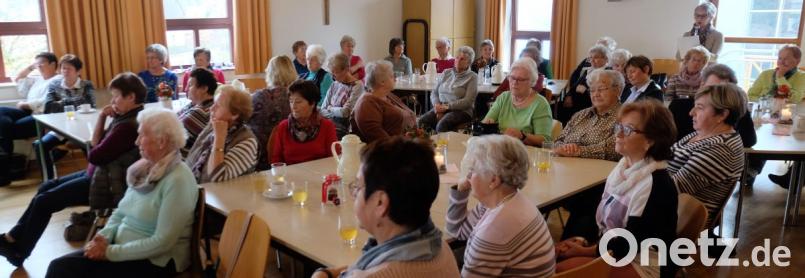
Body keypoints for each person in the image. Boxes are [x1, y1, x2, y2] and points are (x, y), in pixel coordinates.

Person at [0, 72, 145, 268]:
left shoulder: (128, 126)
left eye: (116, 96)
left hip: (106, 184)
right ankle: (12, 239)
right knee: (45, 187)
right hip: (97, 173)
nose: (112, 101)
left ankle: (18, 249)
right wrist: (102, 116)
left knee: (44, 201)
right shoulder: (125, 117)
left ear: (131, 97)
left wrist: (100, 136)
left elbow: (93, 155)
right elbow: (95, 144)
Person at [46, 109, 198, 277]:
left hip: (156, 261)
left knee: (63, 270)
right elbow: (121, 212)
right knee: (60, 266)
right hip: (123, 248)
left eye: (142, 135)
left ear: (161, 142)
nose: (137, 142)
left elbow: (163, 242)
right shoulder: (144, 168)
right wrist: (103, 237)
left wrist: (109, 252)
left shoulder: (178, 179)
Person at [556, 100, 679, 278]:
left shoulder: (655, 184)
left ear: (650, 140)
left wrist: (586, 251)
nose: (618, 134)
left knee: (559, 270)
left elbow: (629, 244)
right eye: (618, 127)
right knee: (554, 256)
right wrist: (582, 240)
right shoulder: (625, 167)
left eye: (628, 129)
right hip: (617, 247)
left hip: (646, 262)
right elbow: (605, 217)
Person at [312, 137, 460, 278]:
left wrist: (320, 274)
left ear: (380, 203)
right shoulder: (440, 248)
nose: (353, 194)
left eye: (357, 186)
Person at [447, 135, 556, 277]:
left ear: (493, 180)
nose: (467, 176)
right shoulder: (505, 199)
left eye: (472, 170)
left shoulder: (494, 229)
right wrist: (460, 190)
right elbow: (458, 231)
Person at [668, 84, 745, 227]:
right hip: (663, 209)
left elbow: (669, 191)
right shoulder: (701, 134)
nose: (691, 112)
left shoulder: (721, 149)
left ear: (722, 115)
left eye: (700, 107)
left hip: (677, 224)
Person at [0, 52, 59, 183]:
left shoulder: (58, 80)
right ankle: (5, 168)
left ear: (53, 64)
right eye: (37, 64)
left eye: (41, 63)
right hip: (28, 112)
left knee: (5, 130)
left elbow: (46, 102)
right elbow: (19, 78)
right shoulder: (38, 79)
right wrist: (32, 67)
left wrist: (24, 104)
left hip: (43, 116)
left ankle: (4, 170)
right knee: (1, 113)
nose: (38, 66)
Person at [36, 54, 97, 180]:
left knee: (91, 146)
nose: (65, 71)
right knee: (39, 144)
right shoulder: (54, 85)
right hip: (60, 128)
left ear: (78, 71)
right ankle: (49, 180)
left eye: (69, 68)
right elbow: (49, 107)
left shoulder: (87, 85)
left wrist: (61, 103)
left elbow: (91, 105)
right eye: (63, 68)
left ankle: (94, 177)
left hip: (83, 128)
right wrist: (76, 101)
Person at [185, 85, 257, 183]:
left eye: (218, 105)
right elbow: (191, 159)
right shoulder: (212, 127)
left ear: (234, 114)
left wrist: (219, 138)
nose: (211, 109)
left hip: (216, 192)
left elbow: (217, 177)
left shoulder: (247, 142)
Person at [554, 69, 623, 162]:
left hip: (600, 169)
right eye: (592, 90)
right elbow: (558, 140)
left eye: (601, 89)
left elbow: (614, 149)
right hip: (567, 165)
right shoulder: (581, 115)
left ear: (617, 90)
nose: (596, 94)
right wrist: (565, 148)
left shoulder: (624, 117)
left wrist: (578, 151)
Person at [483, 58, 553, 146]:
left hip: (525, 151)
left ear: (532, 82)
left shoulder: (540, 104)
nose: (514, 83)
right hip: (501, 147)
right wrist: (487, 125)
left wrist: (522, 136)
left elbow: (545, 141)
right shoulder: (503, 97)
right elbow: (486, 122)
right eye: (512, 77)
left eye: (521, 79)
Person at [270, 80, 337, 165]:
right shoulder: (283, 127)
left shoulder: (327, 126)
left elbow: (334, 158)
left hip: (320, 172)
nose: (293, 106)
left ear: (312, 103)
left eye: (298, 102)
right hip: (291, 173)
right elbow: (276, 161)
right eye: (291, 101)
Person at [249, 56, 296, 171]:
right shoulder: (298, 97)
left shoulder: (259, 98)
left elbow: (242, 118)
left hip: (260, 156)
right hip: (290, 154)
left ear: (270, 73)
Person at [351, 61, 416, 143]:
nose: (395, 79)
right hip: (390, 149)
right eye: (392, 76)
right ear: (382, 82)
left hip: (405, 142)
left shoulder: (388, 95)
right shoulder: (366, 104)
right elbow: (381, 141)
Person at [418, 46, 478, 132]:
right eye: (457, 57)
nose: (458, 60)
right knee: (421, 122)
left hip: (461, 111)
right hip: (441, 107)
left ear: (469, 63)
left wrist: (447, 107)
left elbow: (468, 101)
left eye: (462, 59)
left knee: (441, 125)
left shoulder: (472, 77)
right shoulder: (446, 72)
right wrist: (437, 105)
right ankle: (429, 141)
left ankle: (441, 141)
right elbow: (434, 92)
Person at [667, 46, 712, 140]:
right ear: (687, 61)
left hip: (697, 117)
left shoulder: (706, 80)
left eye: (700, 61)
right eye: (694, 60)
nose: (696, 63)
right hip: (677, 116)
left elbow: (707, 101)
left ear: (704, 64)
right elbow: (668, 98)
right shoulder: (675, 78)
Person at [559, 45, 610, 125]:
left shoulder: (607, 73)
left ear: (605, 59)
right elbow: (576, 84)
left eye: (596, 57)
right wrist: (569, 96)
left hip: (587, 107)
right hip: (575, 103)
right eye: (591, 58)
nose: (592, 60)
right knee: (555, 109)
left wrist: (586, 90)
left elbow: (602, 95)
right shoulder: (589, 70)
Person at [321, 53, 364, 138]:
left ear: (346, 69)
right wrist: (337, 111)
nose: (333, 77)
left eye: (336, 72)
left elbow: (346, 113)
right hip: (330, 125)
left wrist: (330, 108)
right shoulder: (334, 84)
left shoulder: (357, 86)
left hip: (346, 129)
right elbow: (322, 110)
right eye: (331, 73)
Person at [177, 68, 217, 155]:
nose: (186, 89)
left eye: (190, 85)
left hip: (183, 158)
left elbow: (170, 132)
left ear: (204, 88)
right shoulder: (196, 104)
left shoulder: (201, 112)